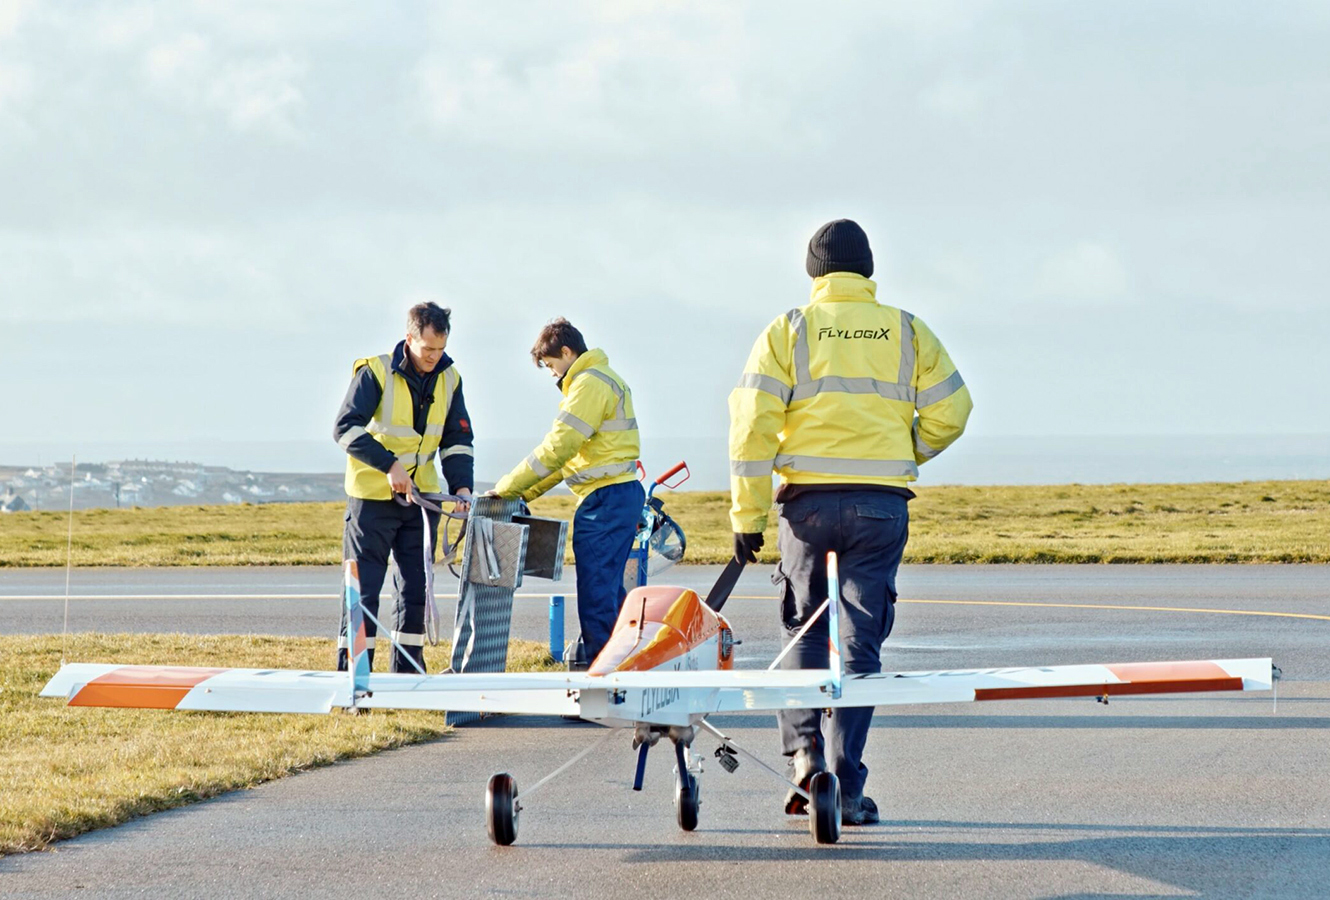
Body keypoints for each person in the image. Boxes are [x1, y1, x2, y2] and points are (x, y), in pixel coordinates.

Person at [728, 219, 972, 825]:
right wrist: (903, 452)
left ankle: (806, 764)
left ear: (814, 272)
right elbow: (954, 410)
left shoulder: (789, 329)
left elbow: (751, 428)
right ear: (866, 270)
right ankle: (846, 786)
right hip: (879, 505)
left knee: (802, 633)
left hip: (806, 505)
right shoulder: (907, 329)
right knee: (860, 646)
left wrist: (747, 514)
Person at [488, 318, 643, 667]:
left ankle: (604, 681)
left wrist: (506, 487)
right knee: (608, 590)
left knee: (596, 593)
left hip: (605, 500)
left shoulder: (588, 384)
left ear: (567, 352)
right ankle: (629, 665)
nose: (551, 374)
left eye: (551, 364)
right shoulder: (601, 379)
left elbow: (557, 448)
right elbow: (566, 460)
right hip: (614, 496)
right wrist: (523, 493)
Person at [333, 302, 474, 673]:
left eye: (441, 349)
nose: (434, 356)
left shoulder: (450, 378)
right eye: (428, 349)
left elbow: (457, 441)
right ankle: (353, 679)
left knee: (415, 593)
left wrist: (461, 488)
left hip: (420, 501)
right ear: (409, 338)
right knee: (363, 592)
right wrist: (389, 465)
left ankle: (408, 678)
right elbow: (345, 429)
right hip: (372, 500)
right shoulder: (375, 372)